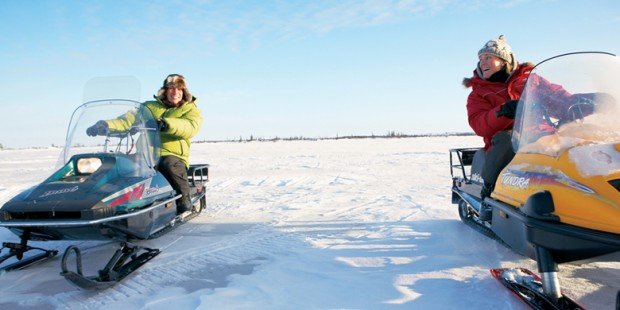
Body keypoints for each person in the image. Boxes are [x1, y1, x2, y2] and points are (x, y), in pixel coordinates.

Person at [87, 74, 203, 214]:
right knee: (120, 165)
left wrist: (166, 124)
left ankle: (184, 199)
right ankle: (104, 199)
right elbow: (127, 119)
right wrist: (105, 125)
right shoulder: (148, 107)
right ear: (165, 90)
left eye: (179, 89)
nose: (175, 92)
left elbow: (189, 126)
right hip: (146, 153)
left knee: (169, 165)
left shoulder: (190, 109)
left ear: (184, 91)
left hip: (171, 154)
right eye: (171, 88)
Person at [462, 35, 534, 199]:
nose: (483, 62)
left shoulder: (530, 80)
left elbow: (558, 96)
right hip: (504, 145)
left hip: (540, 137)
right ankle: (489, 194)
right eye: (481, 59)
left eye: (488, 57)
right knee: (508, 138)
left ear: (504, 60)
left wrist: (586, 101)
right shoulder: (478, 93)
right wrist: (503, 111)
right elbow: (478, 123)